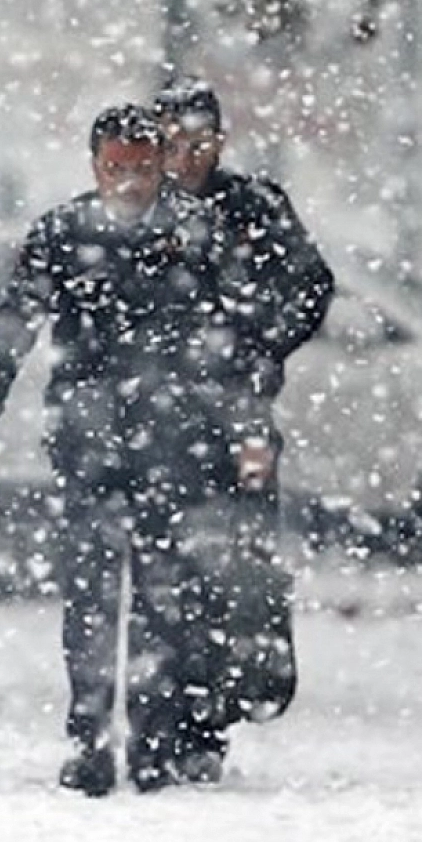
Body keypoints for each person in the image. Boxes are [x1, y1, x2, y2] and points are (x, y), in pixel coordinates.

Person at [0, 103, 233, 796]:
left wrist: (237, 427)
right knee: (90, 596)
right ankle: (91, 738)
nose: (131, 182)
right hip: (90, 442)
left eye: (142, 168)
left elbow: (230, 340)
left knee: (164, 597)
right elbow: (13, 326)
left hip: (173, 443)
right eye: (117, 169)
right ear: (95, 166)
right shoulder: (63, 232)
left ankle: (153, 737)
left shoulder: (194, 233)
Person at [151, 76, 336, 730]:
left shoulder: (254, 205)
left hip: (239, 408)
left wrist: (265, 347)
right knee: (164, 554)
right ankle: (174, 694)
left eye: (200, 140)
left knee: (243, 553)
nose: (188, 155)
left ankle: (235, 688)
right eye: (175, 141)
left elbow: (311, 283)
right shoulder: (139, 210)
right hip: (158, 415)